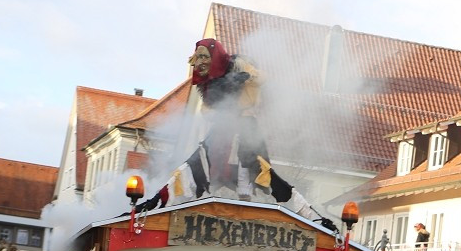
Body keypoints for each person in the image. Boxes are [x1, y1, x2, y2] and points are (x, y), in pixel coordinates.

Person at [136, 39, 331, 228]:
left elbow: (263, 78)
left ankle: (252, 201)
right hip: (223, 128)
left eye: (204, 57)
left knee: (253, 161)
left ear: (215, 55)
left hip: (246, 125)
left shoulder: (238, 64)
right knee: (199, 161)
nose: (201, 63)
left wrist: (248, 77)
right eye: (198, 58)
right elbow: (207, 111)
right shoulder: (209, 84)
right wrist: (221, 108)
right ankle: (161, 204)